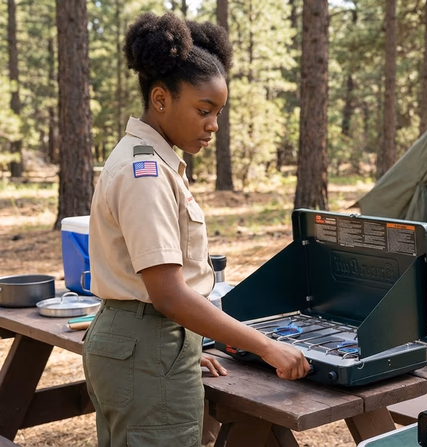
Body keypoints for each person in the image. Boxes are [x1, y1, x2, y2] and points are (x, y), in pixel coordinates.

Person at [83, 12, 309, 447]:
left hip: (151, 348)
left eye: (218, 112)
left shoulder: (150, 158)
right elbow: (167, 293)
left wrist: (182, 350)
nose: (213, 125)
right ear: (161, 99)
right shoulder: (145, 172)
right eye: (203, 110)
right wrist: (267, 347)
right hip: (146, 347)